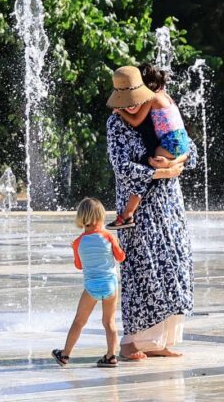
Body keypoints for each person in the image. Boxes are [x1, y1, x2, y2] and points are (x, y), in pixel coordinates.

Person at [105, 65, 193, 359]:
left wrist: (174, 165)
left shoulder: (156, 110)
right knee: (143, 270)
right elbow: (122, 168)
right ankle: (131, 341)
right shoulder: (116, 123)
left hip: (169, 206)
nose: (130, 103)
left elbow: (186, 147)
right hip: (141, 211)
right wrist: (158, 174)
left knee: (173, 265)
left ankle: (158, 341)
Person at [108, 65, 191, 231]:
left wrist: (170, 166)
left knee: (151, 164)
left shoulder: (152, 100)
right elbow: (122, 168)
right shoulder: (166, 98)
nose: (132, 102)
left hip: (168, 214)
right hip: (144, 226)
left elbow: (190, 152)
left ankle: (128, 213)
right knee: (152, 166)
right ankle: (128, 213)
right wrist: (168, 168)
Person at [52, 197, 125, 368]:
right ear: (101, 216)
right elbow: (121, 257)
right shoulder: (107, 236)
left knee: (79, 321)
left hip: (91, 286)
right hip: (110, 285)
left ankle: (65, 355)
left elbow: (78, 266)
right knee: (109, 322)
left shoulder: (78, 242)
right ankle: (111, 356)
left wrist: (74, 249)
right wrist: (118, 245)